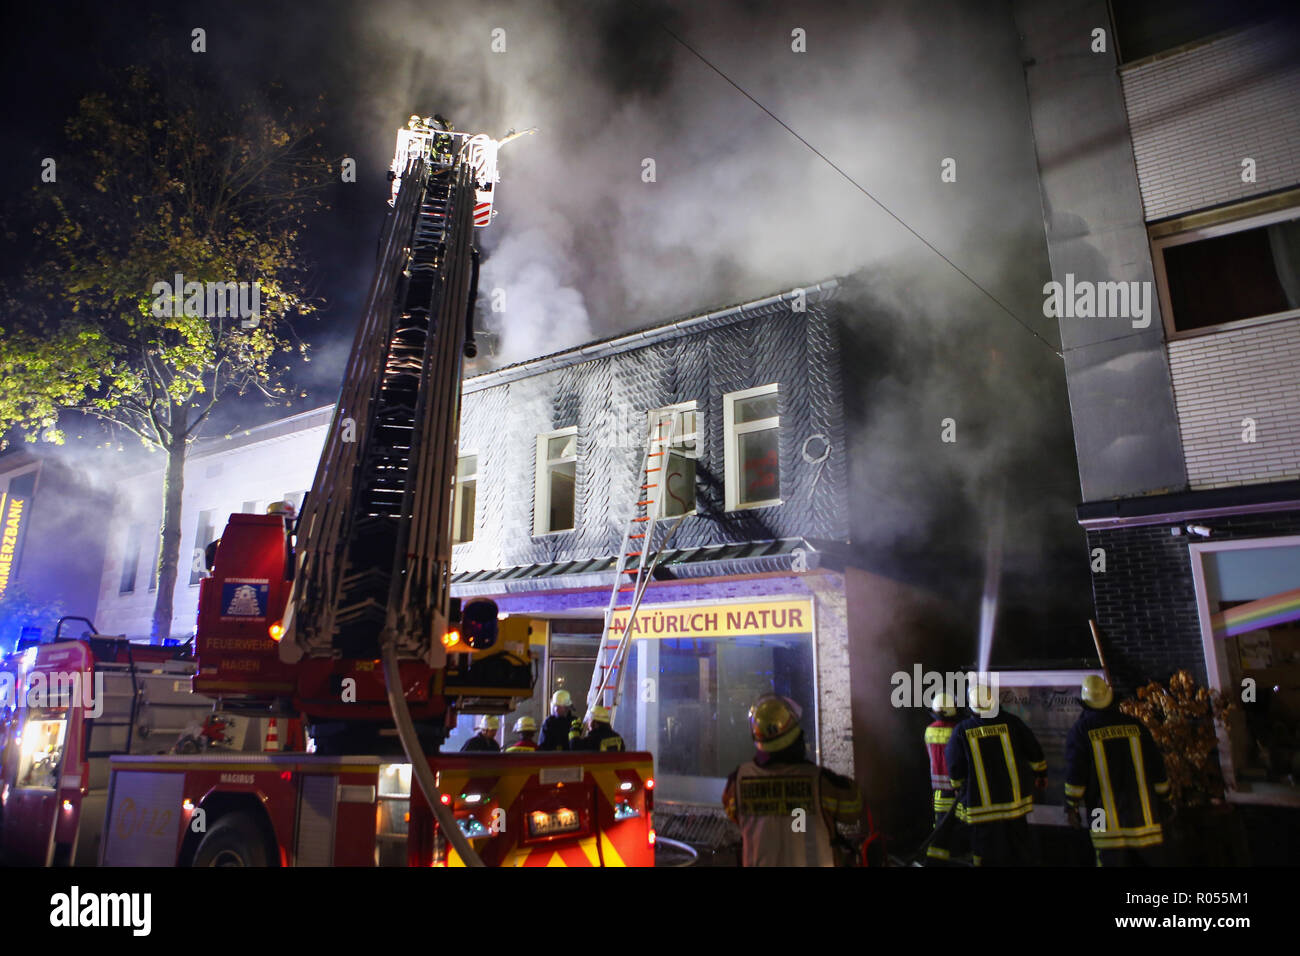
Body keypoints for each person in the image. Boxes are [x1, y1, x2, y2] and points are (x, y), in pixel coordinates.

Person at [722, 694, 862, 866]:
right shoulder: (821, 783)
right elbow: (854, 809)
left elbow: (734, 814)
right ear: (797, 737)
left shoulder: (737, 782)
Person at [1065, 675, 1170, 866]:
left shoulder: (1080, 731)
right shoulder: (1136, 726)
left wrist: (1071, 806)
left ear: (1086, 704)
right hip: (1144, 817)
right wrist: (1166, 799)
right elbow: (1157, 768)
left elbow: (1076, 775)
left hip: (1101, 818)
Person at [945, 679, 1046, 866]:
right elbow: (1034, 750)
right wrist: (1041, 774)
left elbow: (954, 766)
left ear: (972, 707)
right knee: (1019, 852)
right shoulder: (1012, 722)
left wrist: (958, 787)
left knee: (985, 855)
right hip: (1014, 807)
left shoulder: (961, 731)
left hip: (982, 811)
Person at [922, 691, 968, 864]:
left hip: (938, 790)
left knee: (941, 829)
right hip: (958, 789)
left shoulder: (929, 731)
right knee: (965, 825)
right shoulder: (958, 731)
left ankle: (935, 862)